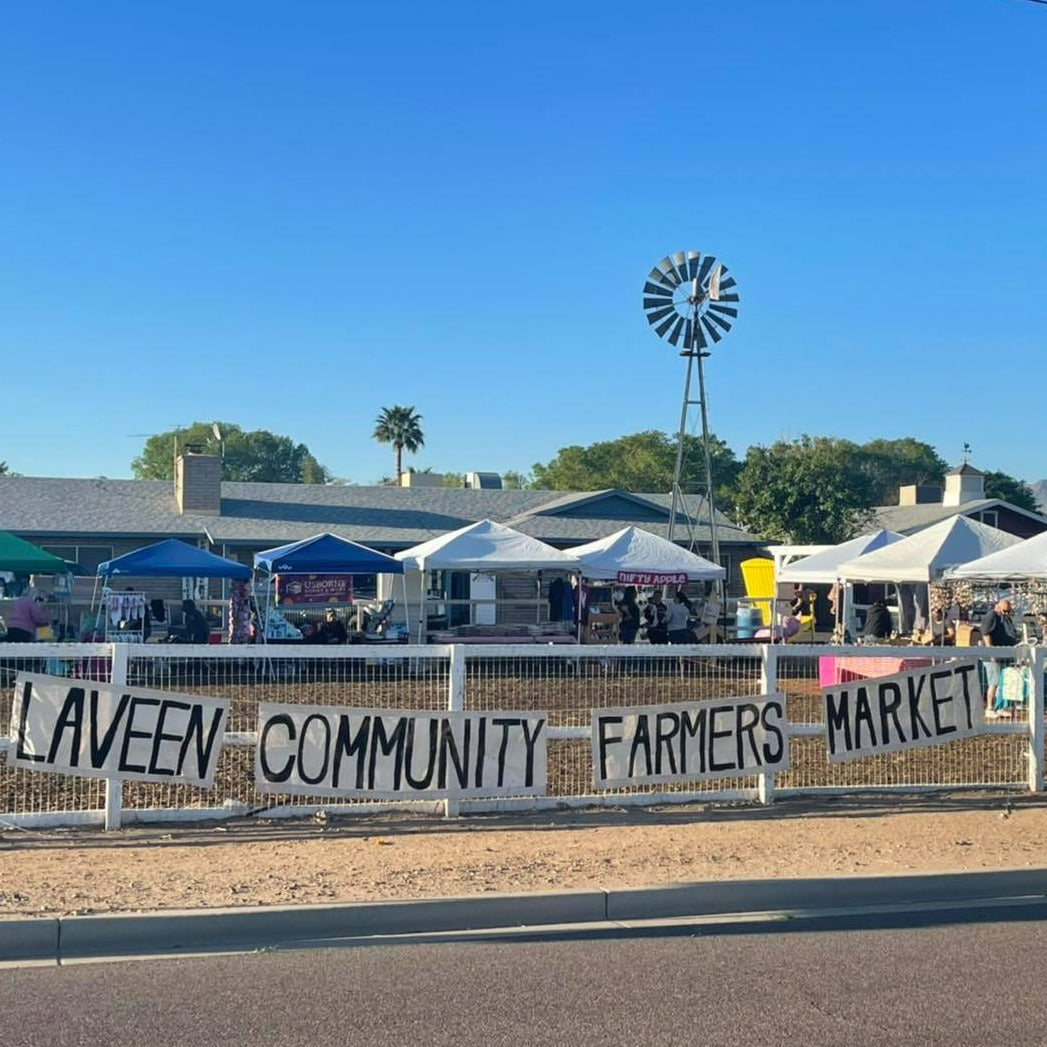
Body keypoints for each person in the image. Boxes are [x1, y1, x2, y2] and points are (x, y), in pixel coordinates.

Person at [981, 598, 1018, 717]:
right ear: (998, 607)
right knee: (994, 682)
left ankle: (1000, 707)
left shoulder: (1006, 619)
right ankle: (989, 708)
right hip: (994, 656)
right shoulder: (991, 616)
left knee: (1003, 683)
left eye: (1008, 611)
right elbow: (985, 633)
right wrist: (991, 652)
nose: (1006, 613)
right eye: (1004, 611)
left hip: (1005, 656)